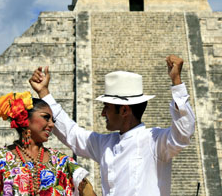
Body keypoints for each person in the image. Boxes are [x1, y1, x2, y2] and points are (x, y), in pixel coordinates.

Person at [29, 55, 195, 196]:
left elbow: (184, 132)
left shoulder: (155, 141)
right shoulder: (104, 144)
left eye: (106, 108)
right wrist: (44, 93)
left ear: (124, 110)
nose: (102, 114)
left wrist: (177, 82)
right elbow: (72, 134)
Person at [0, 91, 96, 196]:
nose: (52, 124)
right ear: (25, 119)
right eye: (46, 117)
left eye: (53, 120)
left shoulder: (62, 162)